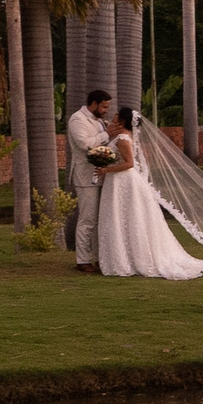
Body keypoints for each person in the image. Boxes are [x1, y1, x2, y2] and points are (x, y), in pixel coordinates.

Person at [95, 107, 203, 280]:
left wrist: (106, 170)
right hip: (119, 181)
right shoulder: (121, 136)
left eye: (116, 114)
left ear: (122, 120)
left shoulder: (123, 138)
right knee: (122, 217)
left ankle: (128, 259)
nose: (113, 115)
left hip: (122, 180)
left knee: (123, 216)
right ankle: (125, 256)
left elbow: (129, 163)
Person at [66, 89, 113, 272]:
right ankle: (83, 260)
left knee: (99, 219)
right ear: (93, 103)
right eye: (104, 106)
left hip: (101, 174)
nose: (106, 110)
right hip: (85, 177)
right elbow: (84, 144)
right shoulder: (77, 119)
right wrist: (106, 134)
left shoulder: (98, 120)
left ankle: (98, 257)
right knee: (87, 219)